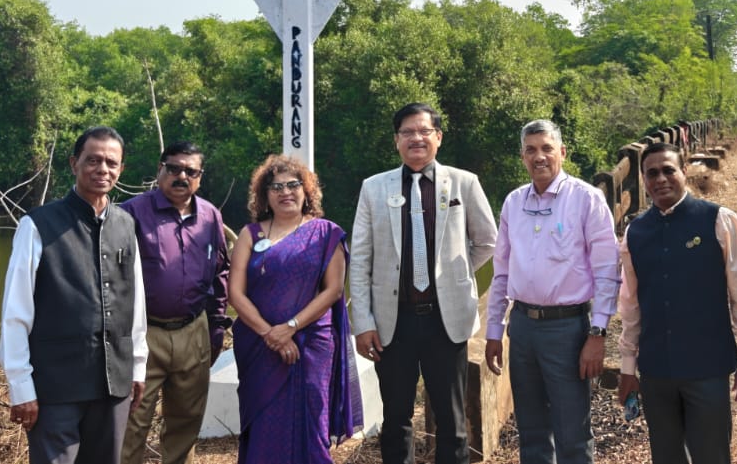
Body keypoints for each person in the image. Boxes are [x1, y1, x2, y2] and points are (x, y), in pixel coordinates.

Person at [348, 103, 498, 464]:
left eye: (424, 131)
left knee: (452, 420)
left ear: (438, 137)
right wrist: (363, 322)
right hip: (392, 321)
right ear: (397, 140)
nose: (416, 138)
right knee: (396, 418)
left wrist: (453, 276)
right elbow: (360, 260)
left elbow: (488, 241)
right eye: (407, 132)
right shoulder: (373, 188)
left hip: (445, 321)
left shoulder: (464, 182)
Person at [1, 126, 147, 464]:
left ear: (121, 169)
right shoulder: (37, 225)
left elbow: (135, 303)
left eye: (111, 163)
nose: (102, 169)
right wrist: (20, 386)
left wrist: (137, 366)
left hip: (113, 382)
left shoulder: (126, 225)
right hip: (56, 386)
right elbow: (15, 312)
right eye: (93, 160)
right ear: (74, 164)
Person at [483, 119, 620, 464]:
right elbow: (501, 270)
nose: (539, 157)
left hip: (568, 328)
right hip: (524, 327)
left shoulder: (586, 199)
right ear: (522, 156)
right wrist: (494, 329)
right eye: (531, 150)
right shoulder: (514, 202)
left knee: (572, 430)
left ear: (562, 151)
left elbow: (607, 270)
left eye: (546, 148)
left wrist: (598, 333)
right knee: (530, 432)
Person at [616, 142, 737, 464]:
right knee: (666, 457)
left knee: (712, 456)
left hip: (707, 369)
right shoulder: (636, 232)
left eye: (669, 170)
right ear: (642, 179)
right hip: (656, 372)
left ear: (684, 172)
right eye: (651, 173)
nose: (661, 179)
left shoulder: (718, 221)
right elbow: (631, 305)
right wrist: (628, 368)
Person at [228, 154, 362, 462]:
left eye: (293, 185)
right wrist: (269, 334)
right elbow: (236, 293)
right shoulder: (250, 235)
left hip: (312, 344)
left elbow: (333, 290)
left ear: (307, 191)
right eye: (276, 187)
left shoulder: (326, 233)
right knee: (263, 422)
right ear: (264, 194)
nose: (285, 192)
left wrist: (290, 327)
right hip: (259, 347)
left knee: (311, 420)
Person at [119, 141, 232, 464]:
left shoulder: (210, 216)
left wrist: (216, 327)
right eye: (174, 168)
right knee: (132, 421)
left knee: (186, 421)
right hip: (144, 333)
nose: (181, 176)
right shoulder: (130, 213)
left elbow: (220, 272)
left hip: (193, 330)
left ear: (200, 176)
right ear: (160, 170)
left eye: (190, 171)